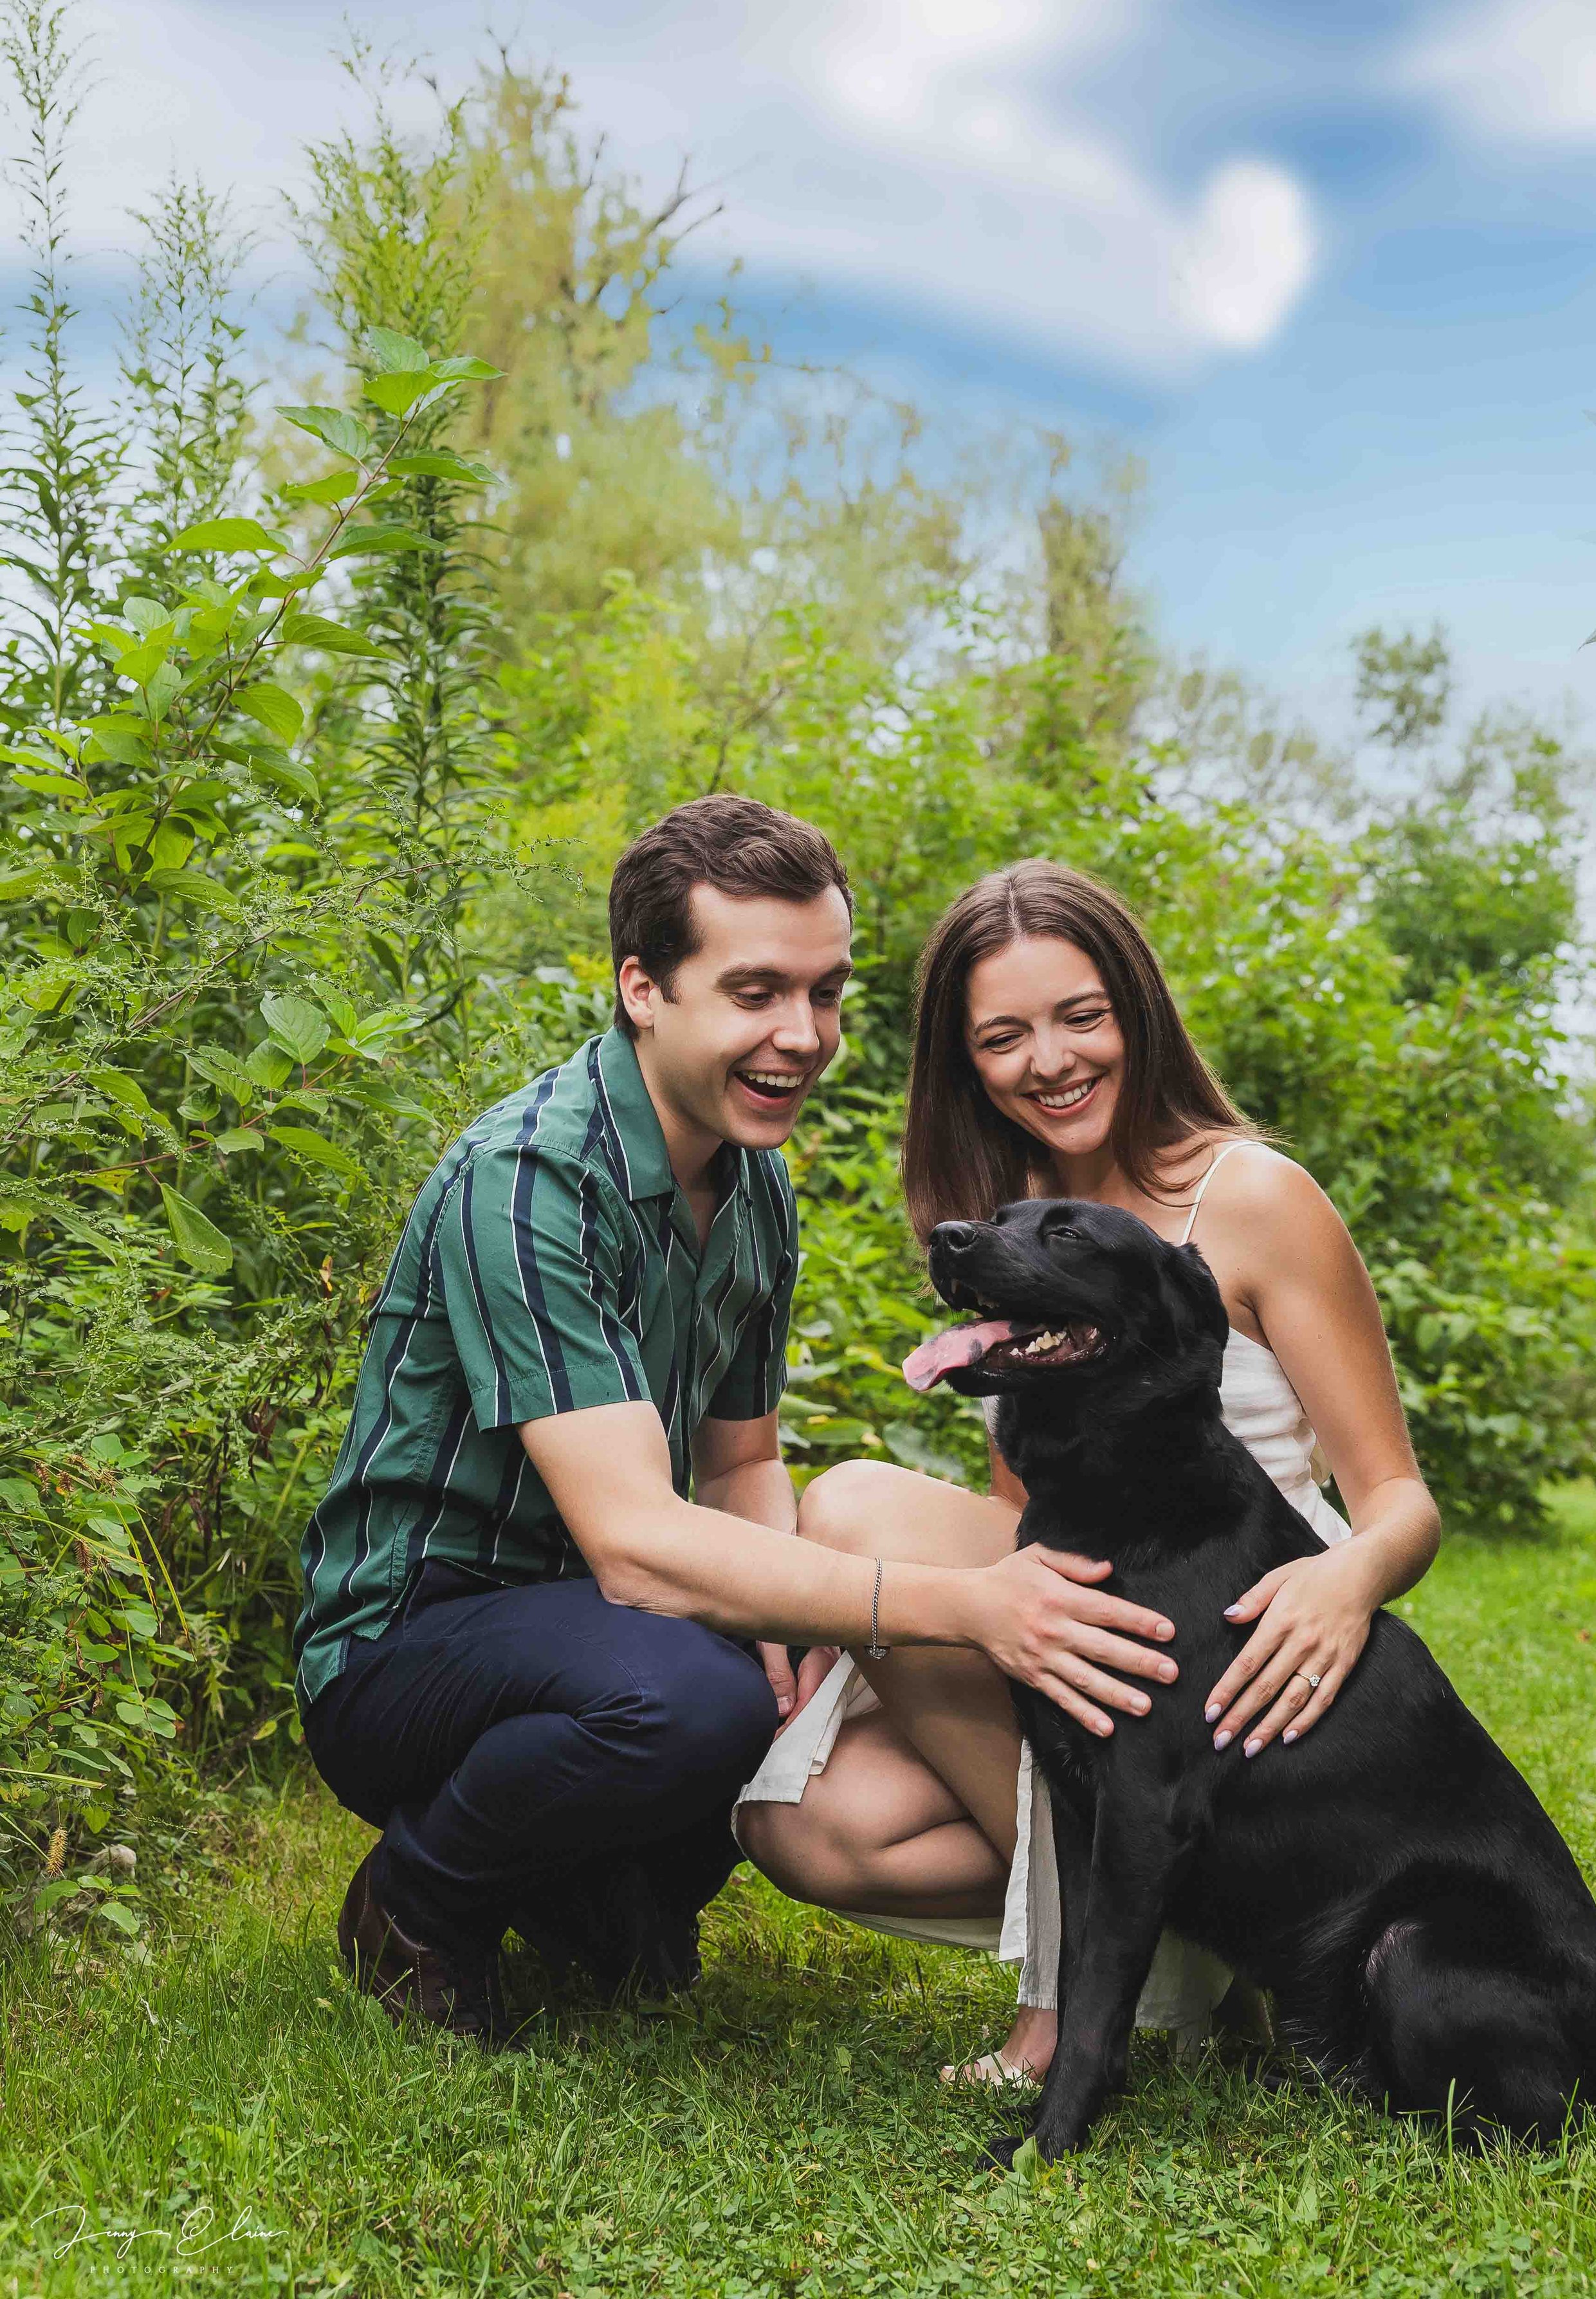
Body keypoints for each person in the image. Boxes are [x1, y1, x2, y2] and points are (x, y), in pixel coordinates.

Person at [295, 806, 1179, 2044]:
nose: (802, 1036)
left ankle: (580, 1882)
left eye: (826, 991)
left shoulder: (754, 1180)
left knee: (769, 1685)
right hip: (415, 1635)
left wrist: (798, 1635)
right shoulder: (533, 1177)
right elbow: (639, 1545)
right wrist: (953, 1605)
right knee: (696, 1702)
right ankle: (417, 1899)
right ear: (643, 987)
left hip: (589, 1619)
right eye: (756, 990)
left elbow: (744, 1460)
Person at [737, 859, 1442, 2084]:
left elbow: (1402, 1499)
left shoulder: (1255, 1196)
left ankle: (1076, 2001)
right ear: (965, 1060)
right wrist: (871, 1625)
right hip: (1109, 1610)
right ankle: (1186, 1945)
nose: (1048, 1060)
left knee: (849, 1502)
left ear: (1137, 1010)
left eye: (1081, 1016)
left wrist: (1347, 1581)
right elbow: (1033, 1527)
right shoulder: (1011, 1224)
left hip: (1241, 1625)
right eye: (1001, 1035)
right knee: (813, 1824)